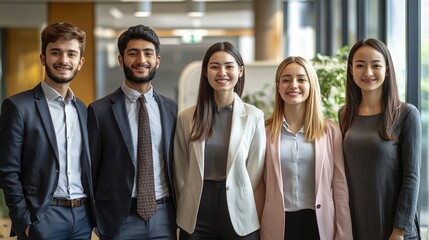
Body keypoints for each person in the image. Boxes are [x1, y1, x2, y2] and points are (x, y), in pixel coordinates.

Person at [0, 22, 94, 239]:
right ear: (43, 58)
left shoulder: (82, 109)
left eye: (71, 54)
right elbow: (7, 171)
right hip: (43, 217)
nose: (63, 60)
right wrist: (25, 222)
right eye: (55, 52)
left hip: (81, 217)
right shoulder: (18, 107)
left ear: (80, 62)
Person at [87, 24, 178, 239]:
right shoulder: (99, 111)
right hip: (119, 219)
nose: (141, 60)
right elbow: (90, 172)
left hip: (164, 216)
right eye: (133, 53)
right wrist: (96, 221)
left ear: (157, 60)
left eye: (148, 53)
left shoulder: (171, 109)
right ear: (121, 59)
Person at [174, 41, 265, 239]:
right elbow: (181, 169)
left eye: (229, 66)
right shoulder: (187, 117)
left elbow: (255, 168)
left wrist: (240, 191)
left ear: (240, 71)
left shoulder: (254, 116)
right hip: (197, 209)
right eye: (214, 66)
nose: (222, 72)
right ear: (206, 72)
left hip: (238, 208)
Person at [257, 56, 353, 240]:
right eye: (286, 79)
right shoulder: (263, 131)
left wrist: (343, 234)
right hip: (278, 224)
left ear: (311, 85)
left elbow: (339, 186)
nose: (293, 85)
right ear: (278, 86)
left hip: (319, 223)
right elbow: (259, 187)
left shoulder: (331, 131)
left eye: (301, 79)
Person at [338, 38, 421, 239]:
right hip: (356, 226)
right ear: (351, 70)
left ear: (387, 70)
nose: (368, 72)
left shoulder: (407, 114)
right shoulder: (344, 114)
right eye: (360, 65)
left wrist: (399, 231)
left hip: (394, 230)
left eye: (376, 65)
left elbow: (412, 178)